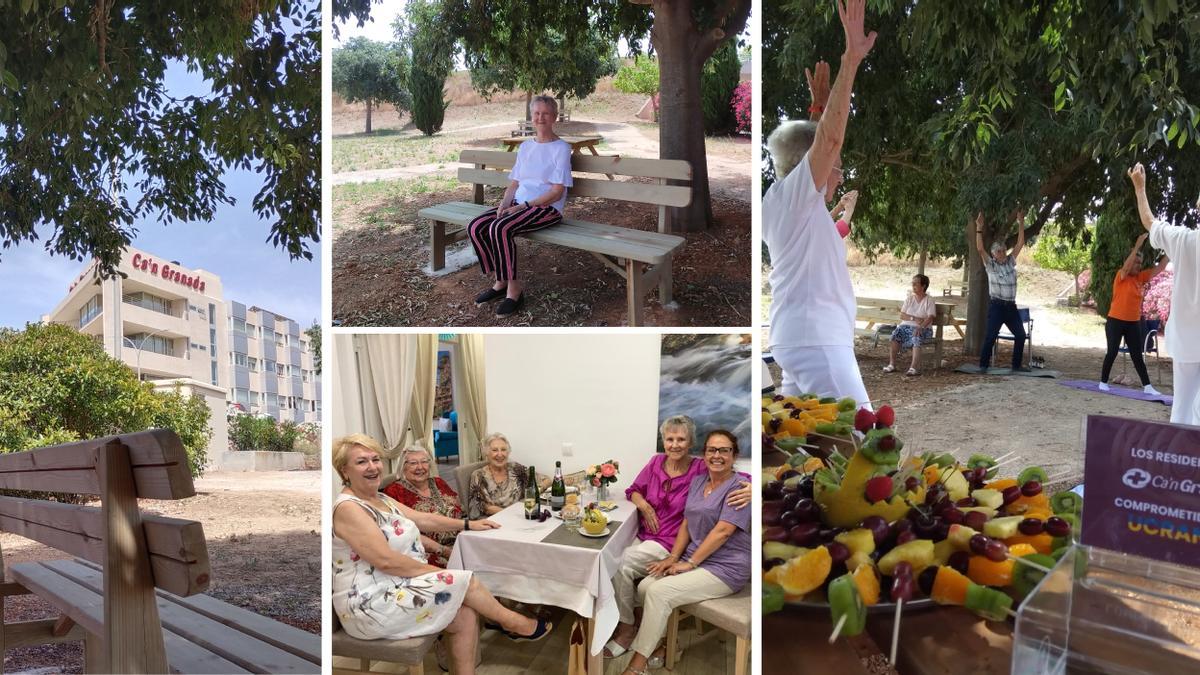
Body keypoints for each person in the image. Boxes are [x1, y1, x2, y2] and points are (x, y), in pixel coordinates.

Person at [331, 434, 552, 675]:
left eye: (375, 459)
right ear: (345, 470)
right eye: (362, 462)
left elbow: (424, 519)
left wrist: (468, 525)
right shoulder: (349, 508)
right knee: (466, 580)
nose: (372, 466)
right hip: (370, 604)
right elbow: (387, 561)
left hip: (399, 586)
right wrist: (439, 573)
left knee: (465, 613)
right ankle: (511, 622)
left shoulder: (380, 498)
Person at [763, 0, 877, 409]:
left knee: (804, 447)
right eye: (836, 166)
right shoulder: (793, 196)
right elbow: (826, 141)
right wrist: (851, 60)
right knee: (870, 439)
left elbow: (814, 142)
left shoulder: (789, 202)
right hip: (816, 343)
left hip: (801, 339)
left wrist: (819, 108)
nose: (839, 172)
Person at [603, 416, 752, 665]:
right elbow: (633, 490)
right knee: (617, 562)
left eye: (681, 439)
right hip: (652, 538)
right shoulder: (658, 464)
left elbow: (734, 474)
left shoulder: (700, 468)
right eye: (670, 439)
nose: (675, 444)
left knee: (621, 564)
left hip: (674, 544)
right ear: (663, 441)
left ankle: (629, 630)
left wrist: (754, 486)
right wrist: (644, 506)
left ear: (691, 443)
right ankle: (641, 629)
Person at [466, 95, 573, 317]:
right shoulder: (525, 147)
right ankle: (500, 281)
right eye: (536, 113)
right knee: (476, 226)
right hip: (518, 204)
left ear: (554, 117)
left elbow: (556, 192)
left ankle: (514, 291)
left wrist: (522, 206)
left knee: (500, 228)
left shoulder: (561, 148)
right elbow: (514, 183)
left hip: (546, 208)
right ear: (531, 117)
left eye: (545, 113)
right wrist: (504, 204)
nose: (540, 118)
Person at [1129, 163, 1199, 424]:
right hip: (1186, 342)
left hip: (1185, 342)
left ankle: (1177, 461)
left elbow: (1149, 221)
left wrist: (1140, 188)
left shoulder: (1183, 240)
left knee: (1181, 411)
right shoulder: (1183, 239)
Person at [1099, 232, 1168, 394]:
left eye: (1140, 262)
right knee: (1112, 351)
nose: (1138, 265)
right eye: (1135, 262)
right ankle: (1103, 382)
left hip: (1133, 322)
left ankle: (1148, 386)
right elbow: (1126, 267)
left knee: (1137, 355)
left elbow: (1161, 267)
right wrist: (1137, 246)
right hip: (1115, 321)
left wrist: (1171, 249)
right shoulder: (1121, 276)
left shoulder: (1141, 278)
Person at [383, 445, 463, 567]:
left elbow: (458, 507)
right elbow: (404, 533)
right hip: (427, 551)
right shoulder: (394, 492)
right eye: (413, 463)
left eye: (424, 462)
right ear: (403, 467)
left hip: (459, 541)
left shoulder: (438, 482)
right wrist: (444, 551)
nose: (420, 467)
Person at [975, 209, 1029, 370]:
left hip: (1011, 307)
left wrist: (1021, 223)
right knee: (990, 337)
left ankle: (1016, 366)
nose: (1003, 252)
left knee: (1020, 335)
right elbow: (979, 249)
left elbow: (1020, 244)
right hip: (997, 306)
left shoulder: (1011, 261)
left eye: (1004, 249)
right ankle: (983, 366)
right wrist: (979, 228)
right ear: (993, 254)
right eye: (999, 251)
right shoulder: (990, 265)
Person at [466, 432, 548, 519]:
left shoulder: (516, 469)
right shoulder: (479, 475)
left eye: (503, 450)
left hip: (520, 517)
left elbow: (547, 480)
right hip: (494, 521)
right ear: (486, 453)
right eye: (495, 450)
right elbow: (485, 508)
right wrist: (513, 515)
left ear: (508, 452)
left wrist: (536, 490)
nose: (500, 454)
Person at [884, 274, 936, 376]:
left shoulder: (929, 300)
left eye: (915, 284)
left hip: (923, 328)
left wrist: (920, 327)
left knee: (916, 335)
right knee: (896, 333)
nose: (913, 286)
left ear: (923, 286)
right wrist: (914, 318)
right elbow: (902, 315)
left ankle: (913, 368)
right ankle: (892, 364)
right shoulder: (909, 299)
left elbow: (930, 317)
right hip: (905, 327)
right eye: (912, 284)